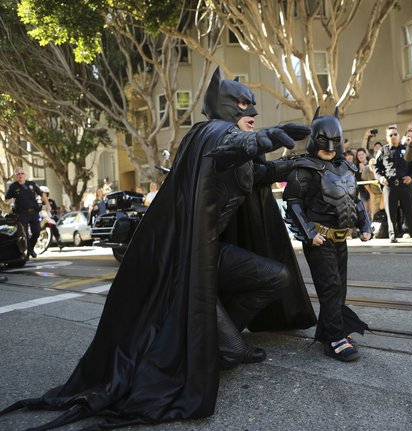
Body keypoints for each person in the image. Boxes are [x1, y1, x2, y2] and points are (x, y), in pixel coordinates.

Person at [0, 67, 316, 429]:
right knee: (228, 354)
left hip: (211, 253)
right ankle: (215, 340)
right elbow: (226, 151)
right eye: (244, 105)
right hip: (184, 260)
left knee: (275, 277)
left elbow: (252, 173)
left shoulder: (234, 140)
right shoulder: (211, 133)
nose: (253, 114)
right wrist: (265, 139)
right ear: (227, 107)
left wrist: (290, 166)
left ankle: (215, 332)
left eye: (254, 106)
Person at [283, 109, 371, 362]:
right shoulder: (304, 168)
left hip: (340, 237)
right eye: (324, 141)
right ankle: (334, 338)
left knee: (339, 287)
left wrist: (364, 225)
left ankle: (332, 329)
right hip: (320, 239)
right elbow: (294, 202)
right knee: (330, 287)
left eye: (335, 142)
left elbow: (356, 200)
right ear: (314, 140)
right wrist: (309, 233)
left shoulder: (346, 167)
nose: (330, 148)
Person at [374, 125, 412, 242]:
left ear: (399, 136)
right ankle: (393, 235)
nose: (393, 137)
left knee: (410, 211)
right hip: (390, 185)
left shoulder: (407, 149)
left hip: (405, 184)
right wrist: (380, 178)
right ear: (387, 137)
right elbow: (376, 167)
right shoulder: (383, 151)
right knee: (391, 212)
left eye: (395, 134)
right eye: (391, 135)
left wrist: (411, 177)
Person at [4, 167, 51, 258]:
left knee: (37, 231)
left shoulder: (31, 184)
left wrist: (47, 204)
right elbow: (6, 201)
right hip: (21, 213)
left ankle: (31, 249)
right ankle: (28, 251)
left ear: (25, 175)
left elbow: (42, 194)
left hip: (33, 212)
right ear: (15, 176)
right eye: (18, 174)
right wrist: (10, 201)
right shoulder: (13, 187)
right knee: (24, 233)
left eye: (22, 173)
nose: (20, 175)